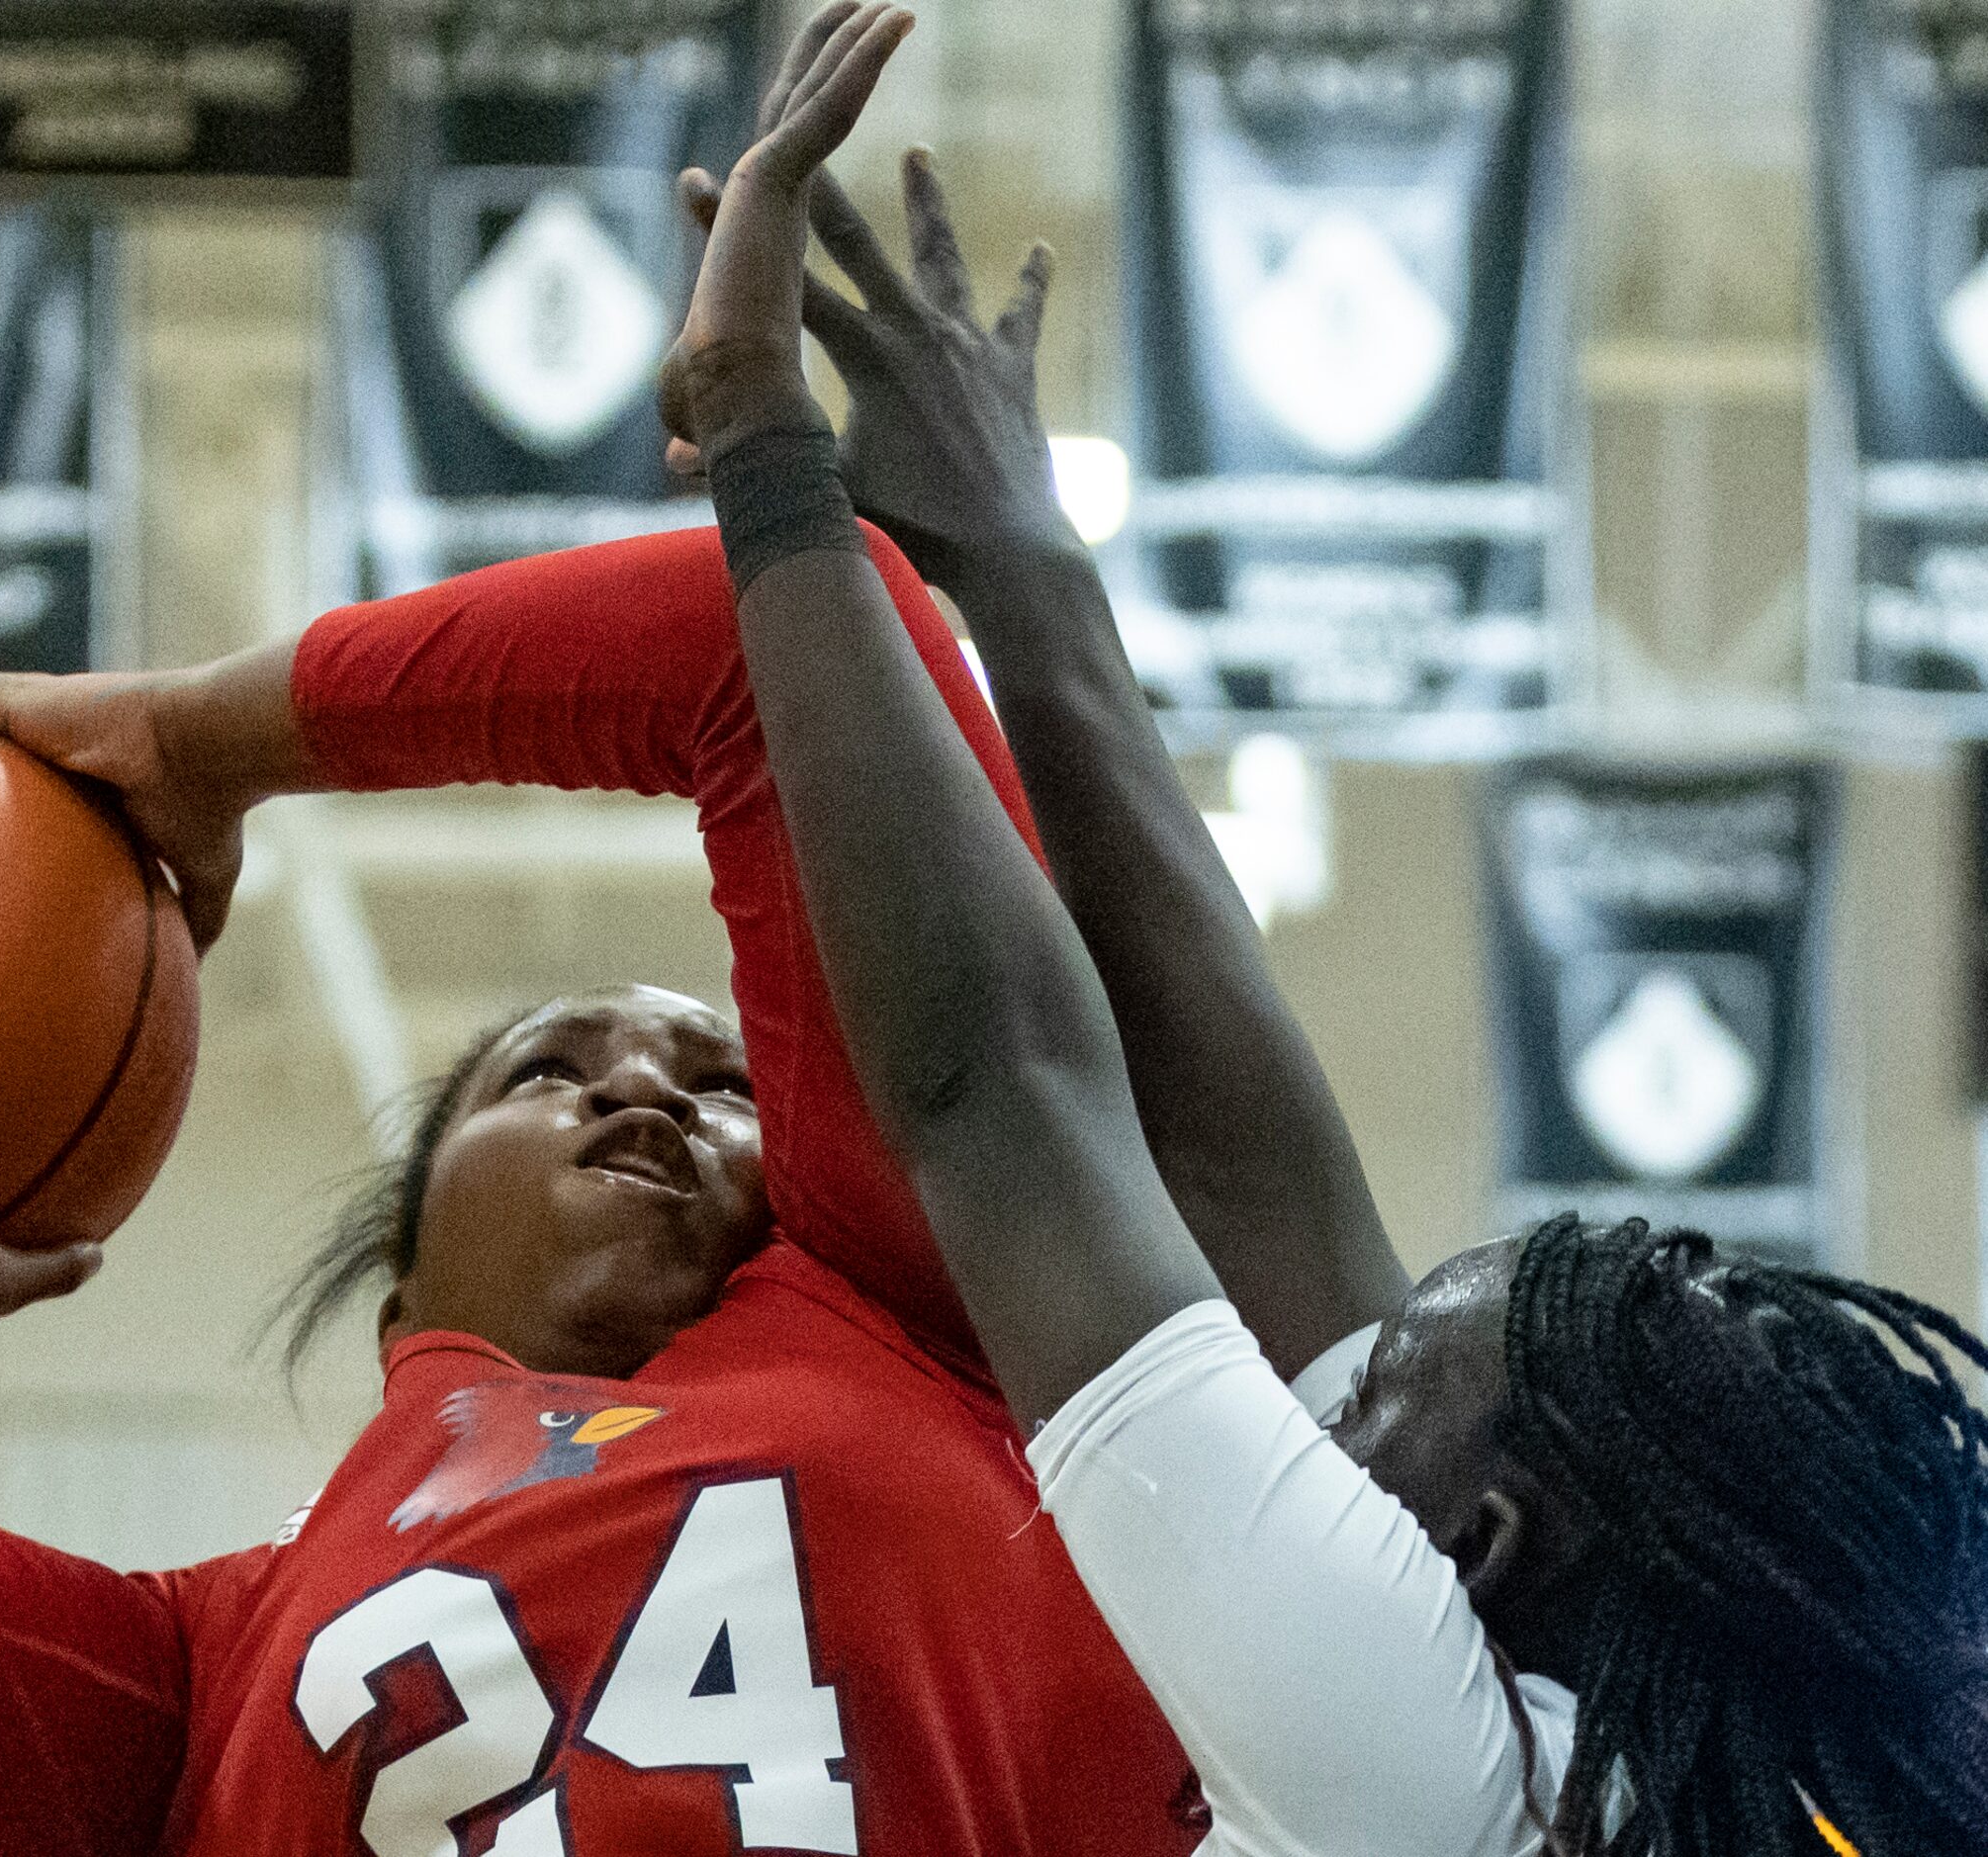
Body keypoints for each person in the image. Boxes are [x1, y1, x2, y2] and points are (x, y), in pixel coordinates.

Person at [0, 13, 1212, 1856]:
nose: (644, 1091)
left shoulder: (920, 1309)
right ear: (405, 1291)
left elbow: (790, 644)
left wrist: (207, 734)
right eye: (546, 1068)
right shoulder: (196, 1669)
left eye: (726, 1079)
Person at [661, 40, 1988, 1857]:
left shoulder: (1432, 1773)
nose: (1319, 1378)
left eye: (1373, 1394)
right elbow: (1245, 1174)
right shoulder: (1560, 1756)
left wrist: (761, 445)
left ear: (1489, 1538)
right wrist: (1027, 581)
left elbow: (995, 1094)